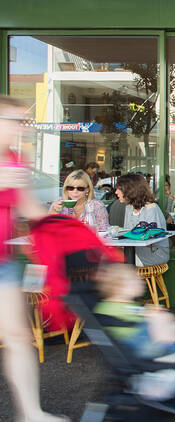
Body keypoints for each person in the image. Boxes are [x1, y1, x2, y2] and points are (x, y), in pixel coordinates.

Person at [0, 95, 68, 421]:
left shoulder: (15, 161)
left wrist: (61, 228)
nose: (18, 130)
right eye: (11, 122)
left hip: (4, 263)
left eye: (20, 123)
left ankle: (31, 413)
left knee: (17, 336)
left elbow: (26, 208)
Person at [93, 263, 175, 360]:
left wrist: (148, 310)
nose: (140, 283)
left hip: (147, 335)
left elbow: (137, 312)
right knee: (161, 319)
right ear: (119, 288)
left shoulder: (128, 303)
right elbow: (127, 320)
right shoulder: (109, 308)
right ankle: (172, 349)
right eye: (134, 281)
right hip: (136, 343)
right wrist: (149, 314)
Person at [115, 174, 169, 267]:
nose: (116, 192)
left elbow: (150, 239)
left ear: (130, 190)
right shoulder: (129, 208)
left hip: (154, 254)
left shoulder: (151, 208)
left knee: (113, 263)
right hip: (134, 252)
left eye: (119, 189)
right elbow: (128, 233)